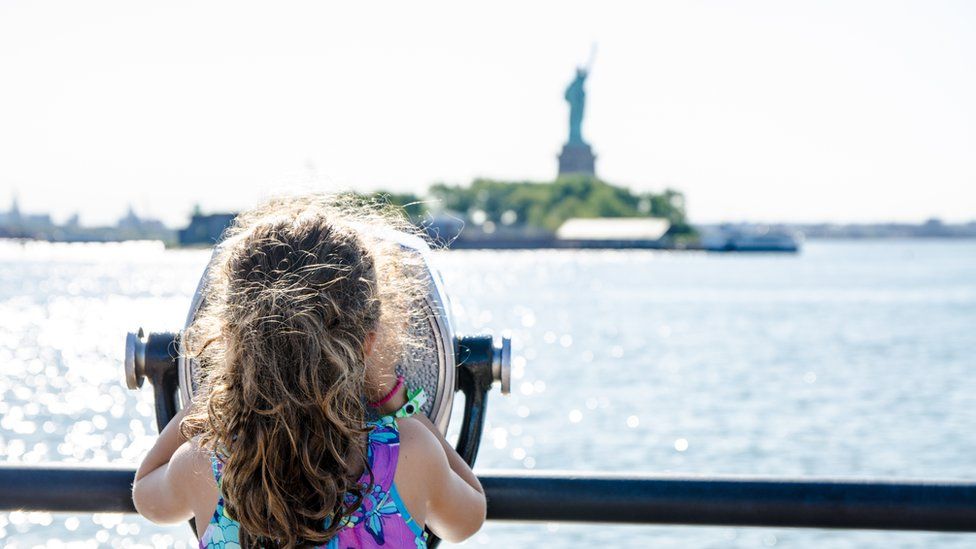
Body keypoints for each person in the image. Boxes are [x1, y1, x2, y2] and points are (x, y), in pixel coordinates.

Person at [132, 194, 487, 548]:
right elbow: (466, 520)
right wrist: (394, 398)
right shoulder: (411, 452)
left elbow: (147, 495)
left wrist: (216, 396)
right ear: (368, 341)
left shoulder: (204, 462)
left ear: (230, 341)